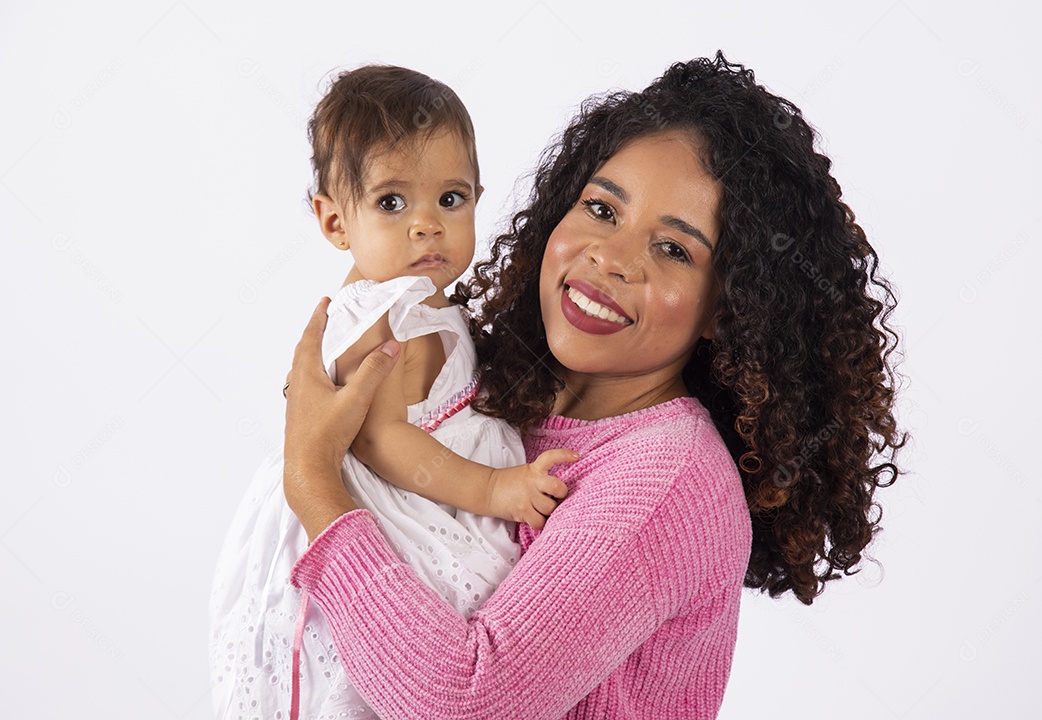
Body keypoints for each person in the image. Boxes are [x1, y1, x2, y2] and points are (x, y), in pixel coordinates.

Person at [282, 51, 906, 719]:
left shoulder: (668, 480)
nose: (610, 258)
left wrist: (312, 478)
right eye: (603, 210)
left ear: (726, 307)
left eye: (673, 249)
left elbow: (467, 702)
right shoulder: (494, 388)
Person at [209, 65, 574, 719]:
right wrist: (496, 489)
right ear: (335, 222)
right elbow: (381, 440)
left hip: (428, 494)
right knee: (378, 678)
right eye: (391, 203)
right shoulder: (377, 314)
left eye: (451, 199)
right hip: (385, 506)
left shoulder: (428, 300)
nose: (426, 225)